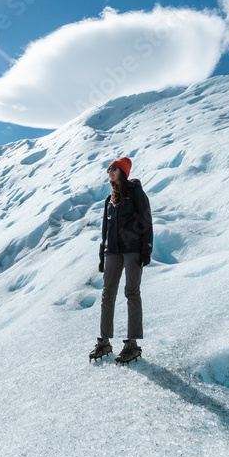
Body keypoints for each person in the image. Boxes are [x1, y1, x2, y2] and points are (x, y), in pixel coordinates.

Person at [90, 156, 153, 364]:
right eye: (109, 168)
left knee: (131, 293)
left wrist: (146, 250)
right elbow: (105, 231)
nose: (110, 171)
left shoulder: (135, 193)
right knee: (107, 294)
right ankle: (104, 341)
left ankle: (132, 344)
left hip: (133, 249)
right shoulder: (109, 200)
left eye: (114, 168)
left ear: (123, 171)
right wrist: (102, 255)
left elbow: (146, 220)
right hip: (112, 251)